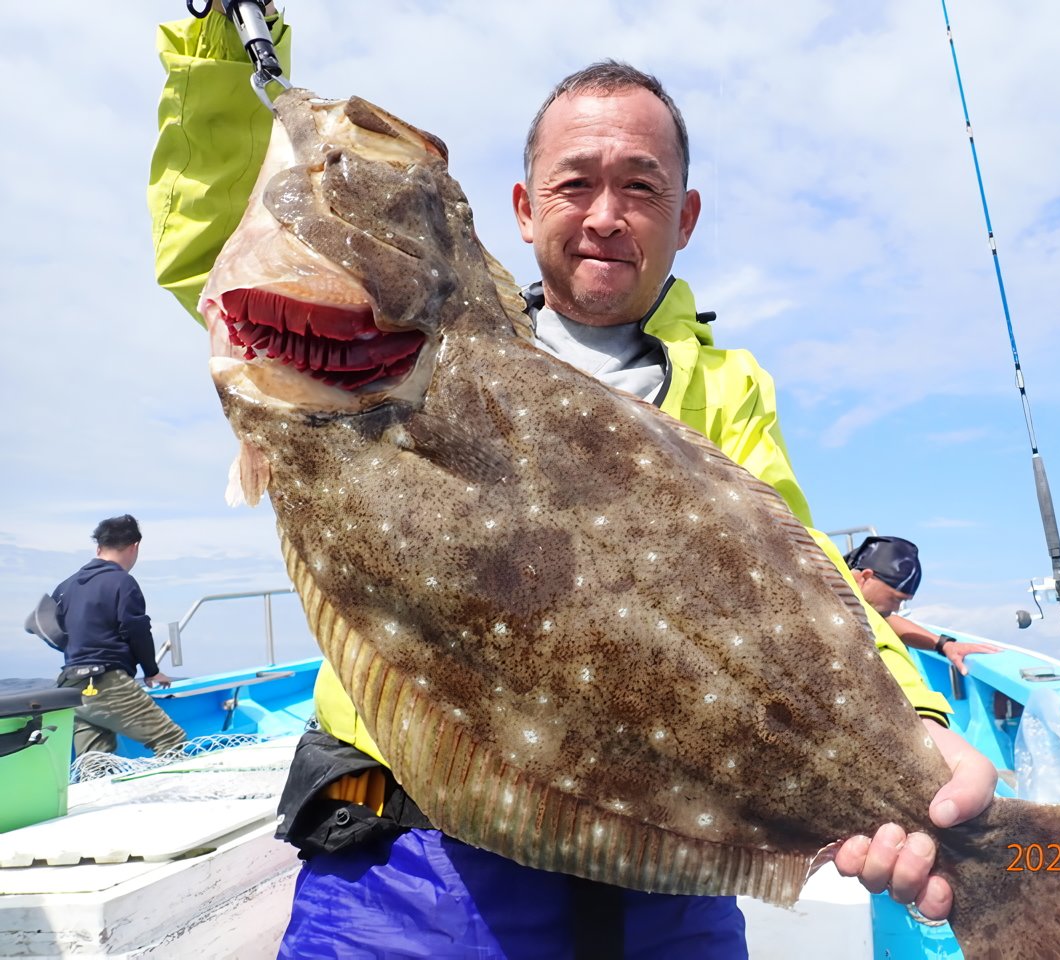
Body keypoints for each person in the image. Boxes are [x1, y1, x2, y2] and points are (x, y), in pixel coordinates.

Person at [149, 8, 997, 957]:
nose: (604, 215)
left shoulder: (725, 388)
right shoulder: (362, 332)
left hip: (662, 900)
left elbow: (813, 595)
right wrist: (219, 53)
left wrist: (917, 737)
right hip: (409, 869)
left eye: (640, 187)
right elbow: (214, 244)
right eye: (575, 183)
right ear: (522, 208)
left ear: (685, 215)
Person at [51, 515, 186, 757]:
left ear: (98, 547)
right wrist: (152, 670)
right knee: (171, 740)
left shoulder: (65, 587)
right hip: (105, 682)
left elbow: (53, 630)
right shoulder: (122, 582)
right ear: (135, 546)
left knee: (95, 761)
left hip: (71, 685)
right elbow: (136, 630)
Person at [845, 536, 1001, 676]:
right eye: (894, 598)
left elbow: (887, 619)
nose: (897, 608)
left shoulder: (862, 603)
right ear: (866, 577)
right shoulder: (829, 593)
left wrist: (945, 645)